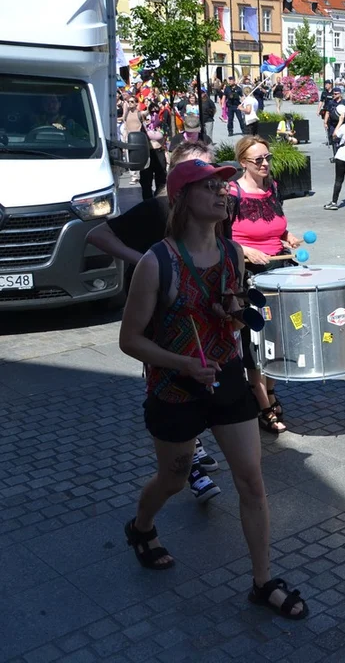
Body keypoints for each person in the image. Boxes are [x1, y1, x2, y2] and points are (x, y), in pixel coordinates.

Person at [118, 158, 308, 620]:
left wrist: (236, 312)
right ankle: (141, 527)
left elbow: (232, 309)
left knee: (251, 480)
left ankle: (263, 582)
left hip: (227, 379)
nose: (224, 193)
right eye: (211, 187)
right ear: (182, 200)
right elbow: (130, 339)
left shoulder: (232, 254)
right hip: (175, 390)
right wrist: (182, 362)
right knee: (175, 477)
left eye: (225, 186)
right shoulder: (155, 261)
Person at [89, 140, 222, 504]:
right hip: (158, 315)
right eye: (200, 172)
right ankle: (188, 462)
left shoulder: (212, 211)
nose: (211, 181)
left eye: (212, 172)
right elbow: (96, 234)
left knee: (202, 375)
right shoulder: (156, 209)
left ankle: (193, 445)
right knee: (174, 382)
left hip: (198, 315)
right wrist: (144, 258)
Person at [229, 135, 302, 435]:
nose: (265, 164)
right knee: (255, 339)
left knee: (276, 336)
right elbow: (220, 235)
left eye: (267, 157)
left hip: (278, 270)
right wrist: (245, 251)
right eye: (258, 160)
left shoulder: (272, 188)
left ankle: (268, 391)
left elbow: (278, 226)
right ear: (243, 162)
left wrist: (288, 237)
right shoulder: (232, 193)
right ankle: (261, 401)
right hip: (248, 274)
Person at [321, 87, 345, 152]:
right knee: (334, 139)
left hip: (342, 124)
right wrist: (325, 122)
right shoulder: (331, 102)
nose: (334, 95)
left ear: (340, 94)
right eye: (333, 94)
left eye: (336, 94)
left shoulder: (344, 102)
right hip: (332, 123)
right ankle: (335, 155)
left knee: (342, 139)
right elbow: (327, 112)